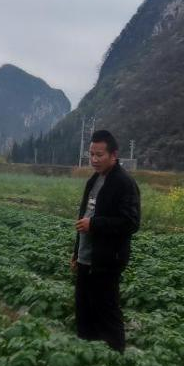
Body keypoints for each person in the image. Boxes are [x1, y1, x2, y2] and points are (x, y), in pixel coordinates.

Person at [71, 129, 141, 352]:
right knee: (83, 310)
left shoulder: (124, 183)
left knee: (107, 312)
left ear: (113, 155)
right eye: (91, 154)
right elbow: (84, 218)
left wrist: (96, 225)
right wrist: (76, 253)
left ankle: (114, 359)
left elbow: (131, 222)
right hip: (86, 258)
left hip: (107, 260)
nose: (94, 159)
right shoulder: (94, 179)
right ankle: (86, 355)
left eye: (99, 155)